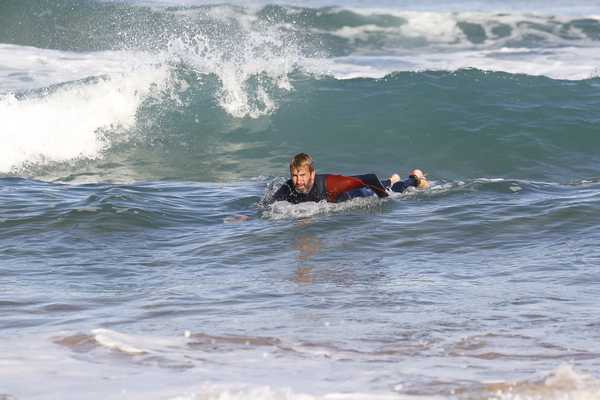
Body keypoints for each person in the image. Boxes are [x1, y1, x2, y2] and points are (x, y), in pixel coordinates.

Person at [270, 153, 429, 204]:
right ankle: (391, 179)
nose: (298, 181)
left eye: (302, 175)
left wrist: (386, 199)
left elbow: (370, 177)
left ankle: (414, 179)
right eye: (295, 176)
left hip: (358, 194)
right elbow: (268, 204)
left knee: (392, 190)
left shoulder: (330, 183)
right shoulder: (290, 186)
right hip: (349, 189)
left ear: (312, 173)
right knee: (383, 184)